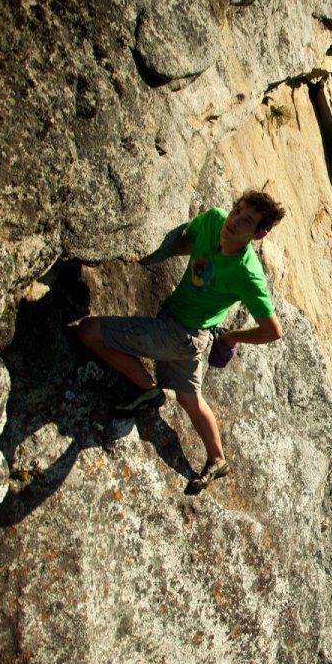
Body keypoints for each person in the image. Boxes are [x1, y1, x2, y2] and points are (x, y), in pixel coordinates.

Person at [77, 191, 286, 492]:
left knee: (88, 332)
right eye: (237, 211)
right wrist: (146, 255)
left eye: (248, 221)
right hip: (188, 335)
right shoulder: (214, 220)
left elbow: (273, 330)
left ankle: (147, 390)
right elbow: (187, 240)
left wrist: (229, 337)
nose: (235, 220)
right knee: (189, 398)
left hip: (181, 336)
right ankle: (217, 458)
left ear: (260, 233)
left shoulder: (247, 274)